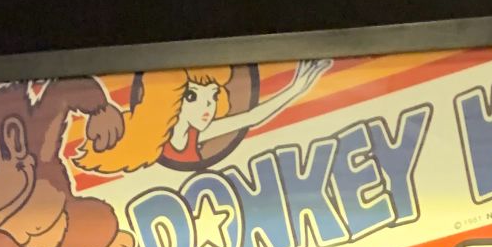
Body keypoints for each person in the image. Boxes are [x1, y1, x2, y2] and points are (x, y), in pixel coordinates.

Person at [75, 59, 329, 175]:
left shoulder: (198, 134)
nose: (207, 105)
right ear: (171, 99)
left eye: (213, 96)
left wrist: (295, 90)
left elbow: (252, 117)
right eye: (193, 96)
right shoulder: (149, 136)